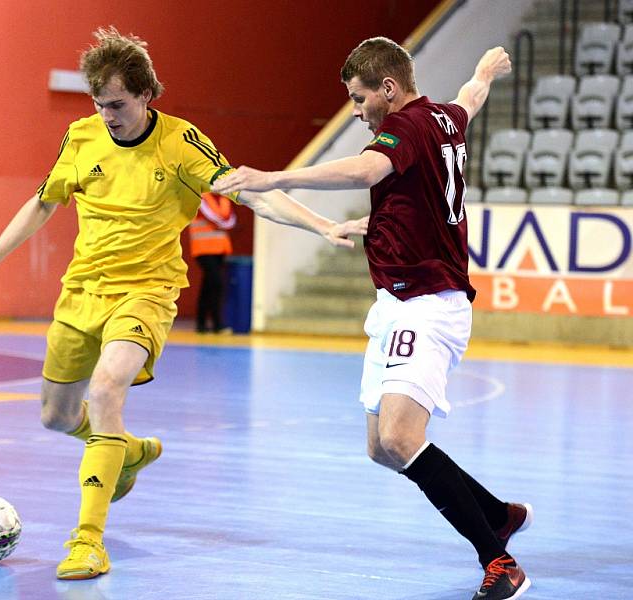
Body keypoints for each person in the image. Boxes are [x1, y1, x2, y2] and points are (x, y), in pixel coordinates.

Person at [0, 27, 368, 581]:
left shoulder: (181, 144)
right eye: (99, 105)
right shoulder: (80, 137)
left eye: (117, 105)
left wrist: (322, 224)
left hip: (146, 291)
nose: (107, 116)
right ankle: (128, 450)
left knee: (105, 388)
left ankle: (87, 543)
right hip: (82, 291)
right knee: (55, 417)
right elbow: (42, 203)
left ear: (147, 95)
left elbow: (253, 192)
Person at [213, 38, 531, 600]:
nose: (356, 112)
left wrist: (275, 177)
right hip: (395, 304)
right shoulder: (445, 117)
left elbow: (366, 171)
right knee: (381, 448)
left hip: (427, 304)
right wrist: (484, 69)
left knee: (400, 435)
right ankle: (495, 514)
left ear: (389, 88)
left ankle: (498, 559)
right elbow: (471, 98)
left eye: (360, 100)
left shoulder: (405, 127)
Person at [189, 192, 236, 333]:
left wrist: (224, 222)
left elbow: (230, 219)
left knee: (209, 286)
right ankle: (216, 324)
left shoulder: (224, 198)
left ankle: (203, 324)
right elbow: (216, 218)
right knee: (216, 283)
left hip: (219, 249)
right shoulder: (201, 197)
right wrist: (223, 222)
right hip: (203, 248)